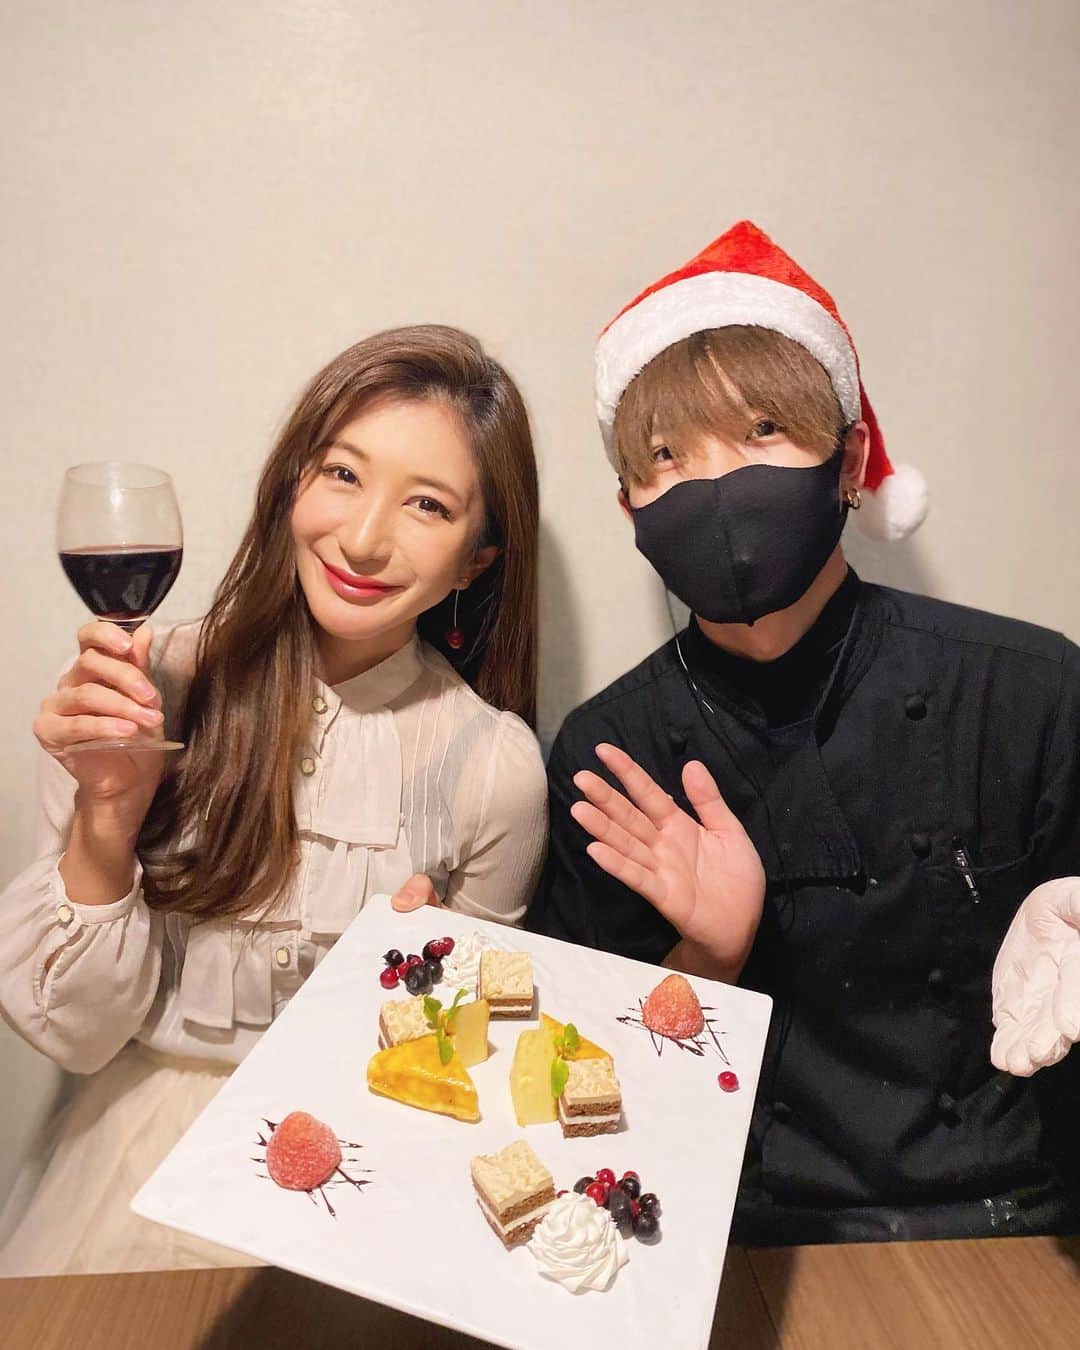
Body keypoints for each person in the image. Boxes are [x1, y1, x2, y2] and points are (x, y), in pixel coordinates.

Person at [527, 221, 1080, 1244]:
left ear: (850, 460)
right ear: (630, 508)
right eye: (666, 456)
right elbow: (585, 1090)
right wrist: (708, 954)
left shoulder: (1026, 691)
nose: (718, 487)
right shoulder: (611, 754)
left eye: (763, 430)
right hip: (732, 1230)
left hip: (1007, 1221)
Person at [0, 324, 548, 1275]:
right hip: (131, 1175)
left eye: (426, 504)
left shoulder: (493, 765)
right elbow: (75, 1037)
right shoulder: (146, 684)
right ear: (294, 482)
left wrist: (415, 989)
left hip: (364, 1180)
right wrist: (107, 820)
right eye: (343, 474)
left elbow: (471, 1071)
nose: (364, 538)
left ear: (475, 561)